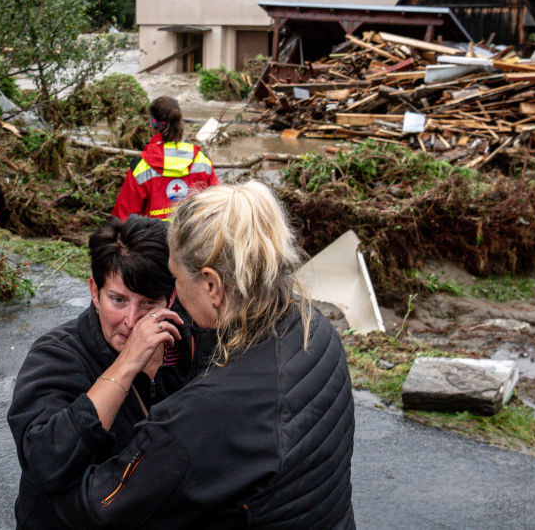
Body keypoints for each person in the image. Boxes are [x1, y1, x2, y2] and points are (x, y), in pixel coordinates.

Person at [55, 181, 356, 528]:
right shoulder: (314, 329)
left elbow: (102, 506)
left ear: (212, 285)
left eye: (175, 278)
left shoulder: (204, 415)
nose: (174, 293)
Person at [9, 216, 203, 529]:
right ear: (94, 291)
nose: (131, 320)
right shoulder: (57, 354)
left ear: (172, 298)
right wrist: (127, 364)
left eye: (149, 303)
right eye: (118, 300)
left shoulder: (189, 340)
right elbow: (44, 461)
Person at [112, 95, 219, 222]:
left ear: (153, 124)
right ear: (180, 122)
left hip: (153, 238)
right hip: (191, 238)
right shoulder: (202, 159)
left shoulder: (143, 164)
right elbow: (217, 205)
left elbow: (123, 216)